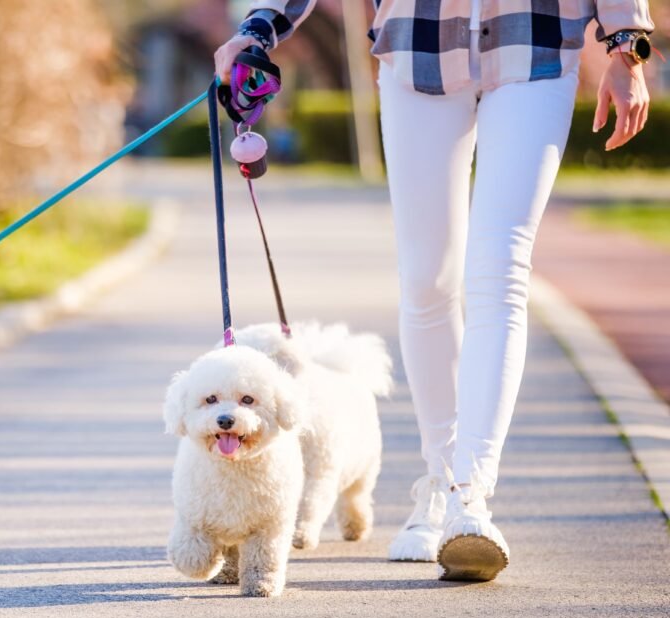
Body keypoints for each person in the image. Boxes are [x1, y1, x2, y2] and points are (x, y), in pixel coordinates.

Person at [214, 0, 655, 581]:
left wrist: (627, 43)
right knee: (426, 280)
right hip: (418, 43)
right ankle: (439, 483)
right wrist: (259, 28)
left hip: (536, 39)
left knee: (500, 268)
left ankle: (472, 500)